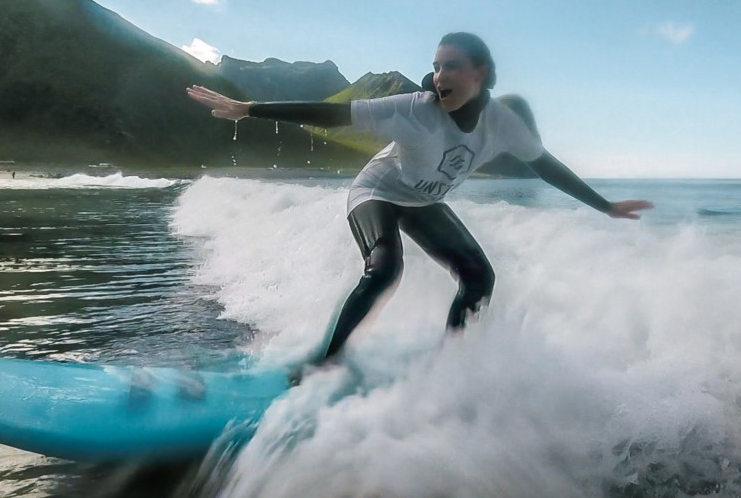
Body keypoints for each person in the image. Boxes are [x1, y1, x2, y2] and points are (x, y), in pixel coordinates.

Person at [187, 32, 653, 374]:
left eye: (451, 66)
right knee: (385, 269)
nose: (439, 75)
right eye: (436, 65)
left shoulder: (503, 122)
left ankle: (449, 367)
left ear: (480, 73)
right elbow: (331, 114)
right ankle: (325, 363)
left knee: (479, 278)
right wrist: (250, 110)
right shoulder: (413, 109)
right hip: (378, 192)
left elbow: (546, 166)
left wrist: (605, 206)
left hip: (424, 201)